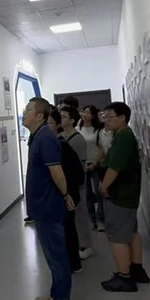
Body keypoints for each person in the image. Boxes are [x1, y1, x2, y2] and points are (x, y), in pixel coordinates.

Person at [23, 97, 76, 300]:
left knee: (58, 259)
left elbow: (57, 172)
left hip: (49, 208)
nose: (23, 112)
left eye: (28, 110)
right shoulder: (37, 136)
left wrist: (65, 194)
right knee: (52, 258)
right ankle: (56, 296)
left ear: (39, 116)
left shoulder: (45, 138)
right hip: (41, 207)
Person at [99, 102, 150, 292]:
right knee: (131, 232)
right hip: (128, 195)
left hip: (120, 195)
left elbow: (115, 167)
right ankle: (136, 269)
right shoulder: (123, 135)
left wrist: (103, 187)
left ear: (122, 118)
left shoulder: (123, 138)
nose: (106, 120)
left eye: (109, 116)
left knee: (117, 237)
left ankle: (124, 277)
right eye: (104, 116)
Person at [48, 109, 82, 274]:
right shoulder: (52, 144)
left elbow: (70, 173)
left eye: (50, 123)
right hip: (62, 195)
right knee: (65, 230)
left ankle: (71, 264)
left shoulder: (61, 146)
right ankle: (71, 263)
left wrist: (65, 193)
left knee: (66, 230)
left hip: (64, 195)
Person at [60, 106, 94, 262]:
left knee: (80, 212)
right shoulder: (61, 136)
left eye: (64, 116)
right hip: (65, 182)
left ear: (72, 120)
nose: (61, 119)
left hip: (76, 182)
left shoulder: (77, 139)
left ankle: (86, 245)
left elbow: (79, 166)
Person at [78, 105, 106, 233]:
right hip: (82, 165)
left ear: (93, 115)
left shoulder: (98, 129)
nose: (85, 115)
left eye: (88, 113)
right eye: (84, 112)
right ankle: (91, 220)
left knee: (99, 193)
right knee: (87, 194)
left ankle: (101, 220)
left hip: (96, 164)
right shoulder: (78, 128)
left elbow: (101, 148)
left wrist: (94, 163)